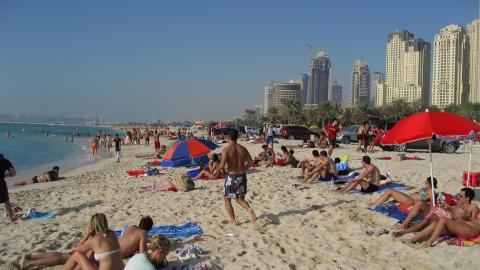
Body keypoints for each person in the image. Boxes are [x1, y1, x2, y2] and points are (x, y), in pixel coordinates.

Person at [19, 216, 153, 269]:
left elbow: (76, 250)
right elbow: (142, 253)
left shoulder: (131, 228)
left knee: (66, 255)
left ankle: (31, 259)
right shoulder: (111, 234)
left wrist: (87, 235)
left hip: (96, 254)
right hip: (100, 255)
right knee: (67, 255)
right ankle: (30, 261)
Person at [394, 188, 479, 241]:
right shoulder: (457, 202)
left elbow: (473, 221)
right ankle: (404, 224)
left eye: (461, 196)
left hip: (447, 218)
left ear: (467, 198)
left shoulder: (473, 207)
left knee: (426, 220)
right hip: (440, 210)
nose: (458, 197)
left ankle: (404, 232)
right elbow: (449, 206)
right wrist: (444, 206)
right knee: (420, 203)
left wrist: (460, 221)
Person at [214, 129, 257, 225]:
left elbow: (222, 165)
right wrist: (243, 168)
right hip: (242, 175)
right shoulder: (243, 148)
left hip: (232, 177)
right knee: (240, 199)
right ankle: (249, 209)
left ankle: (233, 220)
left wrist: (216, 172)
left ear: (228, 137)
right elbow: (250, 162)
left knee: (227, 198)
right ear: (237, 137)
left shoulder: (226, 149)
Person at [0, 154, 16, 222]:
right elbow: (13, 173)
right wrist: (6, 174)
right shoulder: (5, 161)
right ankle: (11, 218)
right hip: (0, 182)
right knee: (6, 201)